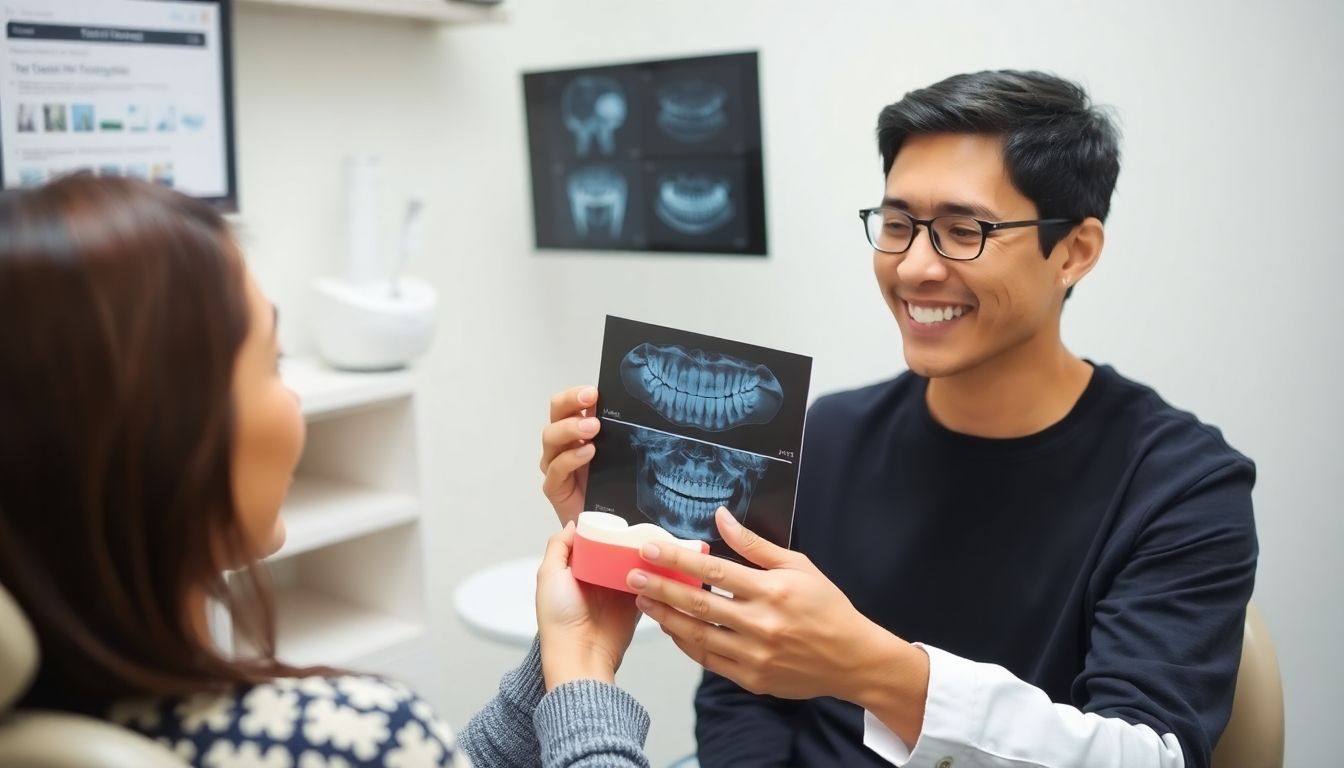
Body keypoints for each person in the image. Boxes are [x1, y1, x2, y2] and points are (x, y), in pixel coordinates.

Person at [540, 70, 1257, 768]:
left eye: (963, 230)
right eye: (897, 224)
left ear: (1074, 250)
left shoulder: (1182, 485)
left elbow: (1149, 753)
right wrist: (608, 524)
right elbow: (740, 690)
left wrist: (875, 671)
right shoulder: (830, 434)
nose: (913, 268)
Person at [0, 175, 652, 768]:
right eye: (271, 364)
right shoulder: (349, 737)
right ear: (162, 433)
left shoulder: (52, 724)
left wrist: (565, 653)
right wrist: (585, 680)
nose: (293, 403)